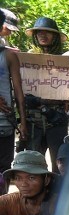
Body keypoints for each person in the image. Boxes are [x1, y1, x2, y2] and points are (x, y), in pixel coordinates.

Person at [24, 17, 68, 163]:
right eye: (39, 32)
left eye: (47, 32)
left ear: (55, 36)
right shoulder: (27, 59)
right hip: (33, 121)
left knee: (59, 163)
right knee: (33, 164)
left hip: (57, 120)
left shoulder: (65, 60)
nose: (43, 35)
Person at [0, 150, 52, 215]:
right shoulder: (9, 201)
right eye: (18, 178)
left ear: (46, 180)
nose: (23, 184)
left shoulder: (58, 201)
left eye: (31, 178)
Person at [0, 29, 26, 180]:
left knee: (4, 171)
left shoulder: (9, 56)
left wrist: (23, 123)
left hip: (5, 124)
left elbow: (18, 91)